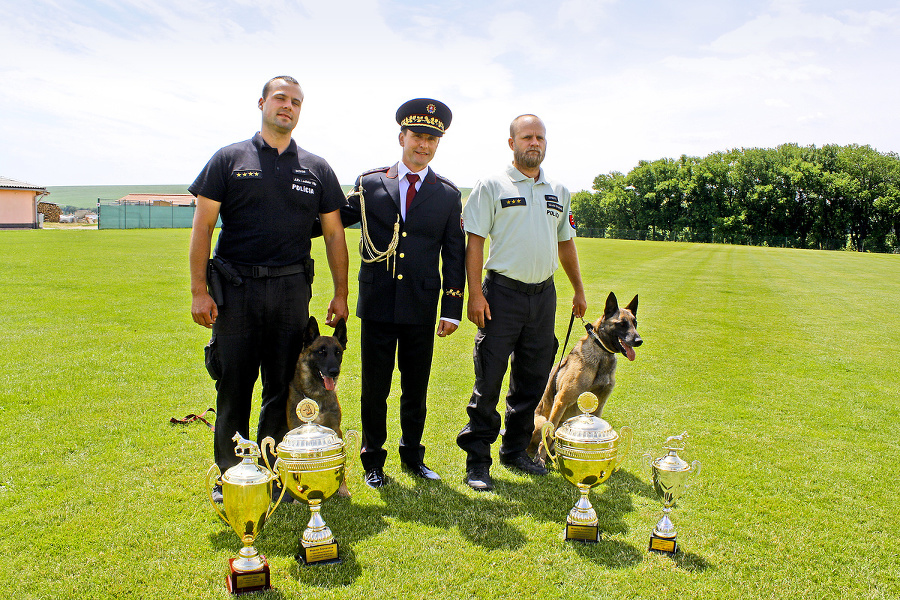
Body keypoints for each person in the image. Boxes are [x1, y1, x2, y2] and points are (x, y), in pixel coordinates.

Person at [188, 75, 349, 500]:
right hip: (236, 290)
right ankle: (230, 475)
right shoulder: (229, 158)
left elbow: (334, 235)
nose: (288, 106)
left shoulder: (316, 168)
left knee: (281, 388)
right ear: (262, 102)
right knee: (234, 385)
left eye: (296, 101)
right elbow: (203, 225)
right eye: (281, 98)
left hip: (291, 292)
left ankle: (273, 469)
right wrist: (198, 290)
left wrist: (340, 293)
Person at [337, 98, 465, 487]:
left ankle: (413, 455)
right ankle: (373, 460)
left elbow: (454, 253)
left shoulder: (447, 193)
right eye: (417, 136)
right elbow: (334, 219)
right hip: (377, 302)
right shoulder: (370, 182)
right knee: (375, 388)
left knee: (416, 387)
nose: (424, 145)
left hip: (421, 306)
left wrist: (452, 309)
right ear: (402, 137)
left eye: (432, 139)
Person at [456, 114, 587, 491]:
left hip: (543, 296)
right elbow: (475, 242)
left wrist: (578, 289)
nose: (535, 143)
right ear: (511, 142)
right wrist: (476, 294)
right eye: (527, 137)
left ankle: (515, 451)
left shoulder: (558, 190)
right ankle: (477, 460)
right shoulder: (491, 185)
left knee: (532, 381)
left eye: (540, 138)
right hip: (501, 295)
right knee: (490, 380)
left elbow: (565, 242)